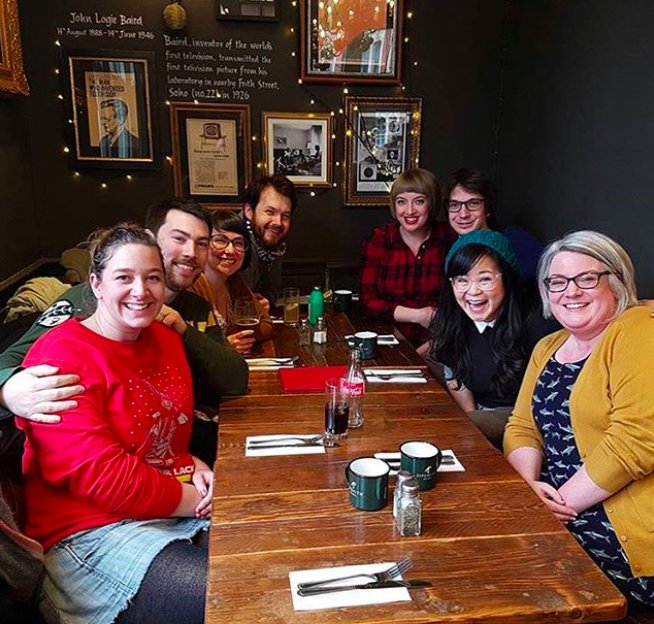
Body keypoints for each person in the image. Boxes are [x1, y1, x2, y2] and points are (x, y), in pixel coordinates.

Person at [17, 224, 211, 624]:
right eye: (124, 277)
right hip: (90, 535)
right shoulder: (60, 355)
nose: (141, 291)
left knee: (267, 558)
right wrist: (200, 500)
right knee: (230, 592)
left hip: (167, 511)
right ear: (96, 284)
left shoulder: (165, 340)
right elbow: (106, 477)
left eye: (152, 278)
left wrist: (192, 465)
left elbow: (163, 436)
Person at [0, 199, 248, 443]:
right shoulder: (87, 300)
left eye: (201, 243)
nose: (190, 253)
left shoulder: (196, 306)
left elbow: (235, 379)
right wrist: (7, 390)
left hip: (178, 437)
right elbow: (10, 359)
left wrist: (183, 331)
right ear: (150, 239)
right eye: (179, 239)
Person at [504, 230, 654, 607]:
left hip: (617, 535)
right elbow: (522, 427)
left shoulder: (639, 329)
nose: (570, 291)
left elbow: (635, 442)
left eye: (586, 278)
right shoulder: (548, 346)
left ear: (616, 282)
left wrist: (553, 506)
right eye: (557, 281)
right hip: (552, 515)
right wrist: (527, 487)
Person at [429, 230, 557, 448]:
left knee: (449, 430)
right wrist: (472, 418)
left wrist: (473, 424)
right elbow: (456, 379)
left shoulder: (537, 324)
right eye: (462, 280)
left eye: (485, 279)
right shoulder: (453, 319)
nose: (473, 291)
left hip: (522, 419)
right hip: (478, 415)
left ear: (506, 278)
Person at [360, 168, 456, 353]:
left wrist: (433, 346)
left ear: (432, 203)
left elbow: (459, 302)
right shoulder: (380, 239)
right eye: (401, 202)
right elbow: (368, 302)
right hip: (387, 341)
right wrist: (419, 315)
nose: (409, 211)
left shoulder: (449, 237)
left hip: (441, 342)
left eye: (419, 201)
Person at [191, 211, 273, 354]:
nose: (230, 250)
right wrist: (224, 346)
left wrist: (240, 339)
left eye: (238, 243)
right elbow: (189, 348)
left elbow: (267, 325)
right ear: (203, 244)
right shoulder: (193, 286)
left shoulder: (234, 281)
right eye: (220, 240)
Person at [444, 168, 545, 282]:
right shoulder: (447, 248)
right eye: (454, 205)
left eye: (473, 204)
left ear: (487, 209)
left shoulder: (515, 240)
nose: (463, 214)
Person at [240, 175, 297, 305]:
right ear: (249, 211)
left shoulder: (274, 245)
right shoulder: (235, 240)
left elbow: (273, 287)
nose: (278, 222)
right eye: (270, 212)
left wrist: (266, 300)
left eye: (285, 216)